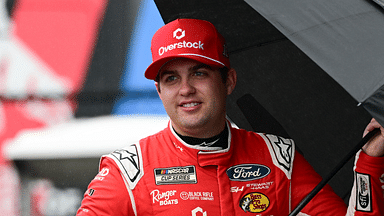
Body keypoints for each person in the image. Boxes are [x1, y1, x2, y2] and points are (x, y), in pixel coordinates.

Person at [76, 19, 384, 215]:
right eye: (171, 78)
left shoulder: (278, 158)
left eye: (199, 73)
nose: (185, 89)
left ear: (229, 81)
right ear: (158, 91)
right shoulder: (129, 171)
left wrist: (369, 162)